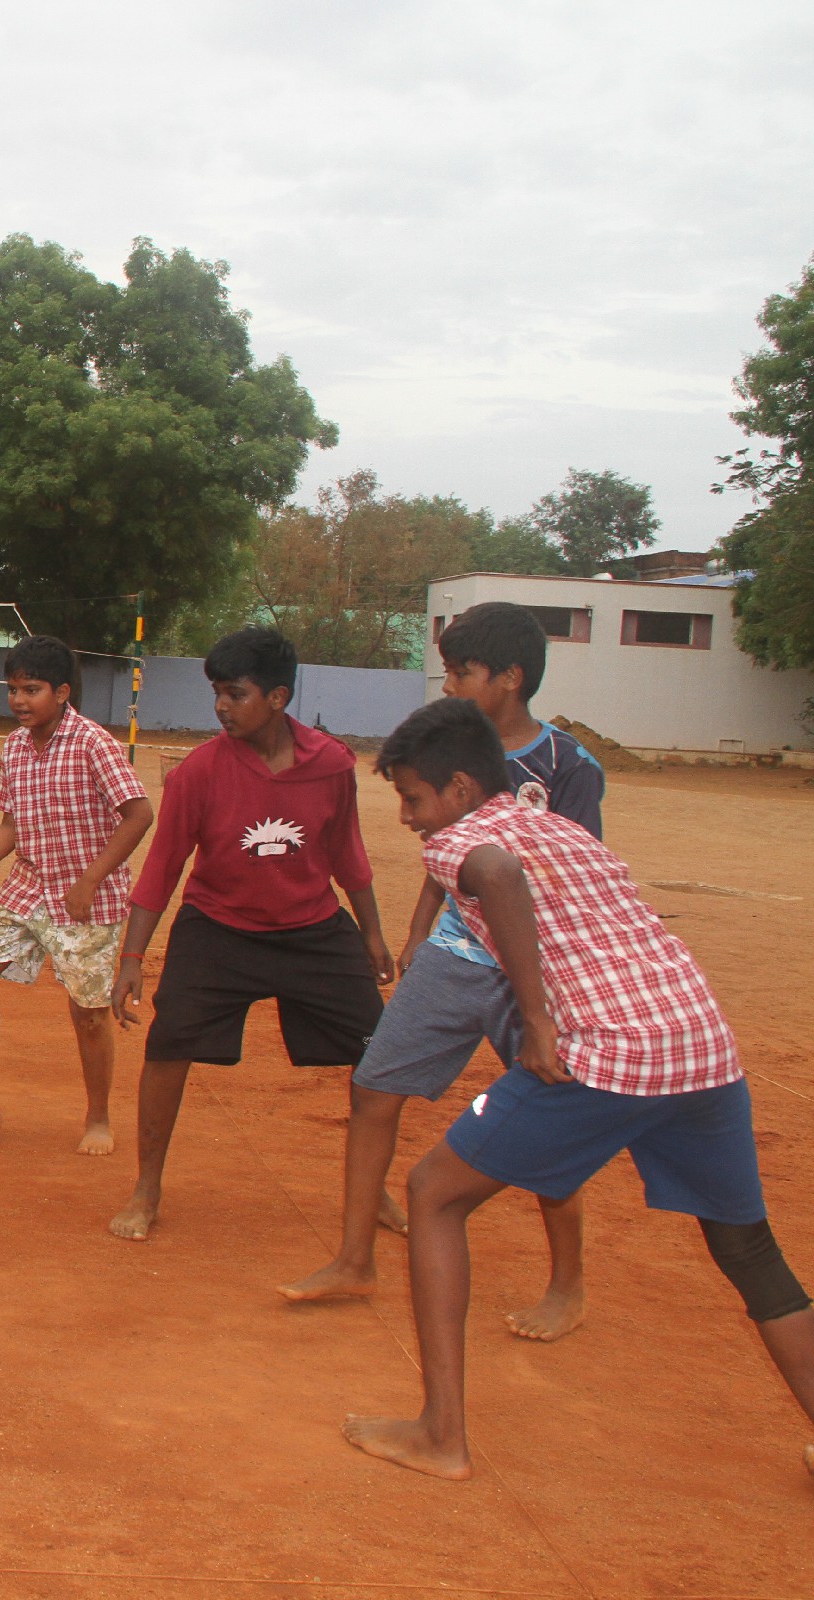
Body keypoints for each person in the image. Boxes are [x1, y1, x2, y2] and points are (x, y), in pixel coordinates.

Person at [343, 697, 814, 1483]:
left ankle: (441, 1435)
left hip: (609, 1056)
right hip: (700, 1045)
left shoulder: (465, 841)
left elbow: (494, 874)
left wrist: (537, 1020)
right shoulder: (556, 822)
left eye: (412, 798)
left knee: (433, 1194)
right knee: (746, 1244)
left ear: (458, 790)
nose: (406, 818)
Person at [285, 602, 605, 1332]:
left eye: (462, 672)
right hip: (459, 955)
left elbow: (569, 870)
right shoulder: (446, 749)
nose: (451, 684)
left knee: (551, 1115)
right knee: (373, 1089)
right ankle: (354, 1258)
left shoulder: (568, 766)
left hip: (531, 969)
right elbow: (451, 851)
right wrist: (422, 929)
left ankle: (567, 1285)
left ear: (510, 678)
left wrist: (542, 1003)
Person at [108, 626, 395, 1241]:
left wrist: (370, 932)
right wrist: (133, 953)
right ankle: (147, 1186)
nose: (220, 707)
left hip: (314, 930)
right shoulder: (199, 773)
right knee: (167, 1047)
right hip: (217, 931)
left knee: (379, 1054)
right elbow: (164, 866)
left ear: (278, 697)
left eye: (235, 693)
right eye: (216, 692)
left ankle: (376, 1191)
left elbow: (347, 851)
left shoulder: (333, 764)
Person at [0, 636, 155, 1153]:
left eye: (32, 689)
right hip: (28, 886)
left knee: (89, 1011)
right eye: (13, 690)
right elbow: (11, 825)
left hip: (86, 898)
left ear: (63, 691)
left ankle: (98, 1117)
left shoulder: (94, 743)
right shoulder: (14, 745)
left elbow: (139, 814)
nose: (20, 701)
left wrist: (91, 878)